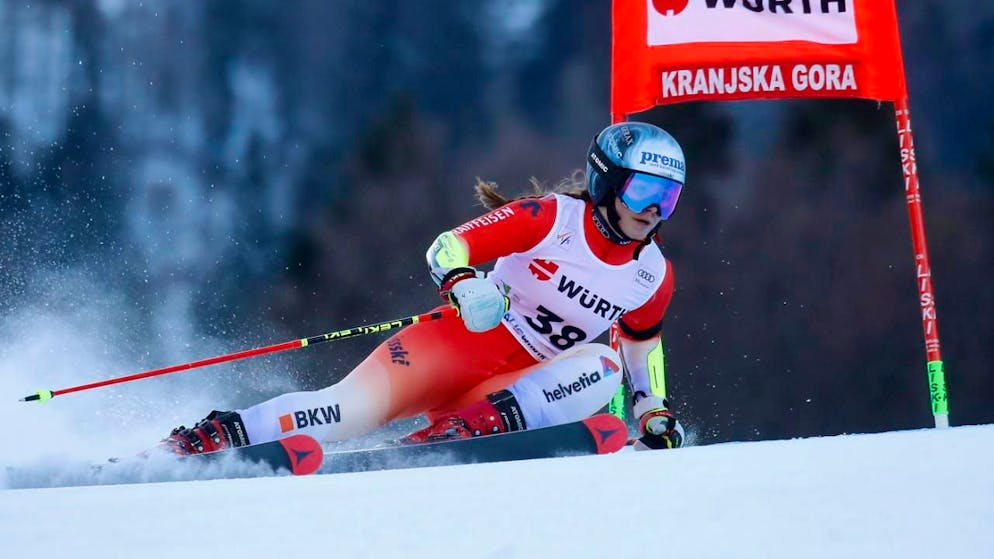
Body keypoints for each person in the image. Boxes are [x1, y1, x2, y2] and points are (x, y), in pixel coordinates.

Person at [162, 121, 686, 455]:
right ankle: (218, 435)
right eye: (643, 191)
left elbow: (642, 349)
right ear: (607, 183)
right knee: (341, 413)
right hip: (455, 347)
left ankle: (464, 431)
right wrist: (461, 282)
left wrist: (651, 410)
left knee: (603, 366)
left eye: (668, 198)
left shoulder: (652, 275)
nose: (652, 210)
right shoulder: (551, 220)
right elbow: (447, 247)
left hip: (509, 393)